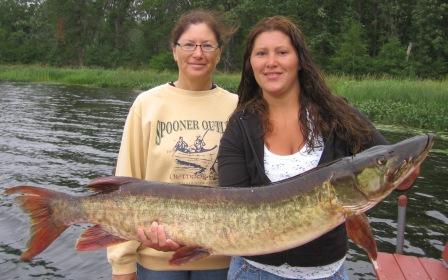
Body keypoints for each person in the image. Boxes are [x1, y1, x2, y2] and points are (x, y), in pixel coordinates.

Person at [217, 16, 388, 280]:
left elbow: (385, 163)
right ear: (251, 64)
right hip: (254, 272)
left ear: (299, 60)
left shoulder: (336, 114)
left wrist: (405, 173)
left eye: (282, 52)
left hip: (328, 274)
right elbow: (230, 207)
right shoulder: (239, 127)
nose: (271, 62)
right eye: (261, 53)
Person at [110, 9, 237, 280]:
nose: (198, 53)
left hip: (220, 260)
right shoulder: (147, 104)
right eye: (189, 44)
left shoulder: (237, 107)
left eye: (207, 45)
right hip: (157, 262)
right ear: (174, 50)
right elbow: (124, 183)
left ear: (219, 52)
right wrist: (122, 264)